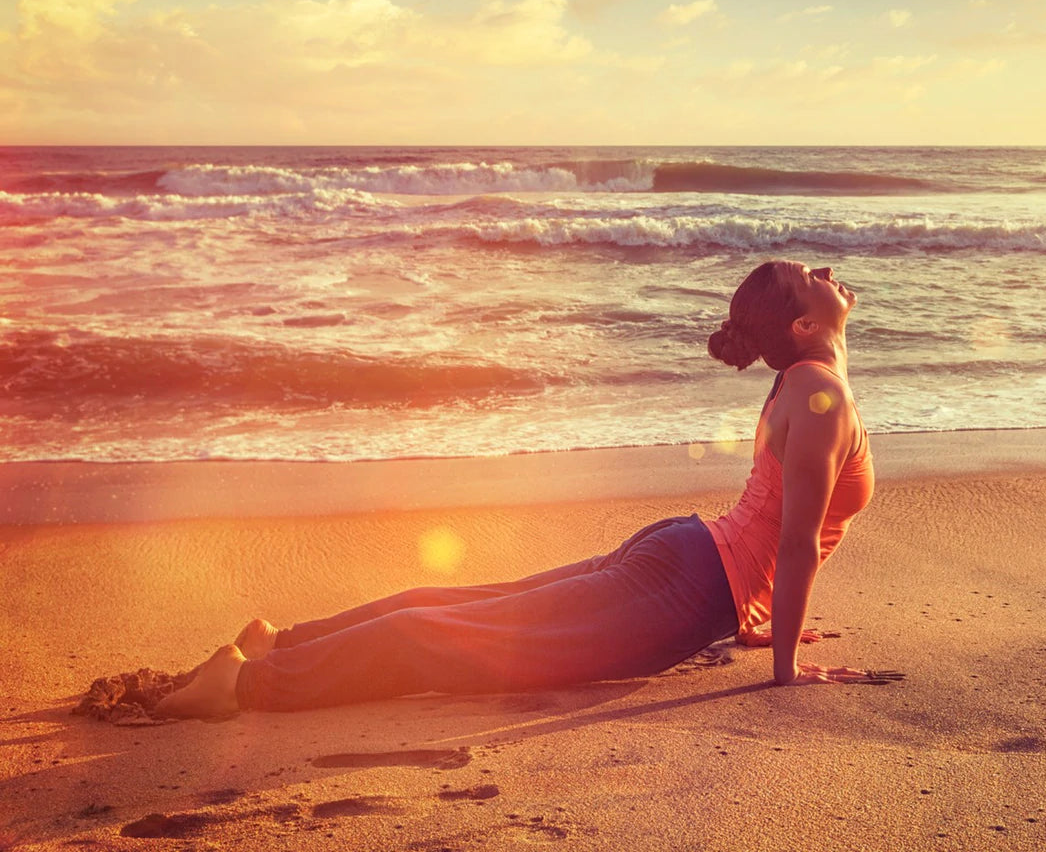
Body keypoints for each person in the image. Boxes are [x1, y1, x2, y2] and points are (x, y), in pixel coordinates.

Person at [155, 260, 899, 718]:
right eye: (813, 277)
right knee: (462, 639)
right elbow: (795, 540)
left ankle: (279, 642)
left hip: (693, 564)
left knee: (471, 607)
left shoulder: (809, 384)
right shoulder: (816, 395)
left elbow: (773, 522)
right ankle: (247, 686)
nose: (829, 271)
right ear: (804, 324)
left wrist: (756, 617)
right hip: (686, 584)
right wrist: (786, 672)